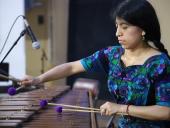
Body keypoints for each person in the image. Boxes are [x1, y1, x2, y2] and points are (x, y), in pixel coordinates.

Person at [21, 0, 170, 127]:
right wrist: (38, 79)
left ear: (142, 29)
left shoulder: (160, 63)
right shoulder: (112, 55)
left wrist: (121, 108)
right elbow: (72, 66)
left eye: (124, 27)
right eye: (117, 26)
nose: (118, 33)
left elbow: (165, 111)